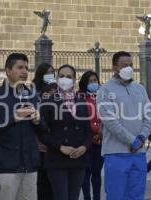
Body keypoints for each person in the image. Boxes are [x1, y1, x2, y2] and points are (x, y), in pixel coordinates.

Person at [0, 53, 41, 200]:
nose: (25, 71)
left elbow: (44, 129)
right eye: (20, 67)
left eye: (27, 68)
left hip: (30, 166)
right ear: (8, 71)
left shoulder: (32, 96)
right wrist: (13, 118)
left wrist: (38, 121)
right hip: (6, 167)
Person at [97, 51, 151, 200]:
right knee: (116, 195)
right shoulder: (105, 90)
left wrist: (141, 137)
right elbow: (110, 121)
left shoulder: (140, 89)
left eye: (131, 65)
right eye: (124, 65)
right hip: (116, 153)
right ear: (115, 67)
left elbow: (149, 116)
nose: (128, 68)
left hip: (138, 154)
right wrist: (131, 140)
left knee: (137, 195)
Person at [40, 64, 91, 200]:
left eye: (69, 77)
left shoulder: (81, 102)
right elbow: (43, 133)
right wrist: (60, 147)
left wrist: (84, 147)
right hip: (57, 158)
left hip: (78, 158)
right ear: (56, 79)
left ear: (74, 80)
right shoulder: (48, 102)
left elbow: (88, 130)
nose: (65, 79)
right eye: (61, 76)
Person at [32, 62, 56, 200]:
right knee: (42, 178)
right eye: (47, 72)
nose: (50, 75)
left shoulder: (57, 89)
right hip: (39, 138)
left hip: (54, 138)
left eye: (52, 72)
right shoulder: (34, 92)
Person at [78, 70, 104, 200]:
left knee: (97, 172)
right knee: (86, 173)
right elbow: (81, 118)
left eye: (95, 81)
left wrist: (101, 133)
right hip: (86, 141)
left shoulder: (102, 97)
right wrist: (94, 131)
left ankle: (97, 197)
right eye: (90, 81)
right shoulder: (80, 97)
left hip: (100, 140)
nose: (94, 83)